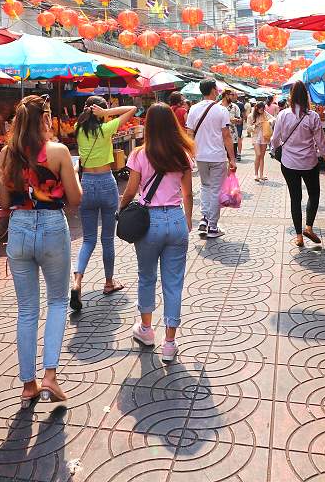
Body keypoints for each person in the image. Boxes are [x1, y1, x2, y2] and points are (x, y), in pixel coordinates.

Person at [0, 95, 82, 407]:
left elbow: (5, 204)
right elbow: (74, 199)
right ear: (45, 119)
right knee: (58, 301)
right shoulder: (58, 152)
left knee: (26, 309)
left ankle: (28, 385)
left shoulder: (7, 154)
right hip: (51, 227)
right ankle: (49, 376)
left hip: (18, 228)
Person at [120, 102, 194, 363]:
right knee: (173, 284)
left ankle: (147, 330)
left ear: (149, 126)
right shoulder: (182, 155)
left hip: (148, 222)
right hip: (175, 219)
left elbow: (130, 191)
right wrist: (187, 221)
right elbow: (187, 193)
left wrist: (121, 209)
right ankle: (170, 344)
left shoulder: (139, 154)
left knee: (146, 277)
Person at [71, 95, 137, 312]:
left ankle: (77, 281)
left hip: (87, 183)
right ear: (100, 111)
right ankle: (109, 282)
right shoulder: (106, 128)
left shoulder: (77, 129)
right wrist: (106, 114)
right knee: (107, 238)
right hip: (107, 183)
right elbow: (132, 109)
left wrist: (96, 112)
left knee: (88, 239)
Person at [270, 82, 325, 248]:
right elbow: (321, 142)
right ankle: (309, 227)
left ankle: (299, 236)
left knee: (295, 198)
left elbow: (275, 139)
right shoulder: (312, 116)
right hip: (309, 163)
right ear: (306, 96)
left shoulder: (282, 115)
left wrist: (274, 150)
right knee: (314, 194)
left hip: (289, 164)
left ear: (290, 97)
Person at [186, 79, 236, 239]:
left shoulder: (193, 109)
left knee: (205, 187)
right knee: (215, 190)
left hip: (200, 156)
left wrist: (192, 154)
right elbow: (227, 136)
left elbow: (189, 134)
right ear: (214, 90)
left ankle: (204, 219)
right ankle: (213, 227)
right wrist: (232, 159)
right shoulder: (221, 110)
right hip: (217, 156)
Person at [248, 101, 273, 182]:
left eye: (263, 109)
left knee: (262, 156)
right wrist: (255, 125)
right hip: (255, 137)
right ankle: (255, 174)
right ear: (256, 108)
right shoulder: (251, 116)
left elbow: (273, 119)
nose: (262, 111)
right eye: (260, 109)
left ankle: (261, 174)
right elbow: (248, 128)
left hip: (264, 136)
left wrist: (268, 122)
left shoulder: (265, 114)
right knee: (258, 155)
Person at [223, 91, 243, 162]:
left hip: (233, 137)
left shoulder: (235, 107)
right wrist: (229, 120)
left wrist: (237, 120)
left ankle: (230, 173)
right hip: (220, 138)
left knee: (231, 159)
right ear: (226, 95)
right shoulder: (218, 106)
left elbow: (240, 120)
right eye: (232, 95)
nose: (234, 96)